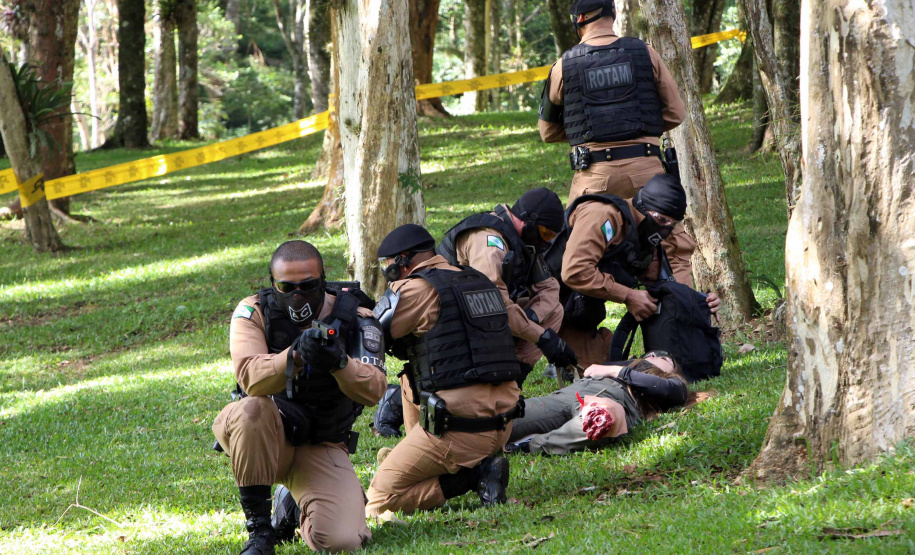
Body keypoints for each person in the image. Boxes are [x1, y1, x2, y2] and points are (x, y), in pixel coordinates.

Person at [212, 240, 387, 554]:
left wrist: (339, 364)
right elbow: (249, 376)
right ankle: (260, 534)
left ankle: (293, 505)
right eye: (286, 286)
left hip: (322, 443)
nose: (297, 294)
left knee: (342, 541)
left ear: (323, 281)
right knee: (251, 408)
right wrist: (293, 356)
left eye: (307, 285)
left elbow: (374, 390)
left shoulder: (357, 316)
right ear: (272, 283)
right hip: (266, 437)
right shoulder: (253, 311)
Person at [366, 224, 525, 519]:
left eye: (389, 266)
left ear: (404, 261)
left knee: (379, 500)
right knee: (408, 378)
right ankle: (447, 460)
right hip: (503, 423)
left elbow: (374, 333)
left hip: (460, 429)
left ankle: (472, 477)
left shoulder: (416, 288)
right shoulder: (478, 279)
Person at [558, 174, 720, 367]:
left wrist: (699, 303)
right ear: (642, 207)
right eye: (661, 219)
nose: (666, 229)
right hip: (538, 297)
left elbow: (664, 288)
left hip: (575, 307)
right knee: (518, 363)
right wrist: (629, 296)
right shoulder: (603, 215)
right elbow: (574, 271)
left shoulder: (646, 234)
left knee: (606, 373)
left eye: (673, 224)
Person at [538, 0, 686, 204]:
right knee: (665, 234)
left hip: (593, 177)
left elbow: (548, 132)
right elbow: (676, 113)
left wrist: (588, 133)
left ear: (580, 19)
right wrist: (639, 127)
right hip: (647, 175)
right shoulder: (646, 52)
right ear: (614, 12)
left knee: (580, 234)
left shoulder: (563, 66)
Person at [437, 188, 576, 382]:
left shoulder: (521, 240)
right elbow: (494, 306)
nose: (546, 242)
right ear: (528, 220)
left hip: (480, 315)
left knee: (555, 310)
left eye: (550, 237)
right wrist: (541, 336)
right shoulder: (489, 243)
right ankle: (498, 381)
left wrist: (530, 317)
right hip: (451, 322)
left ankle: (512, 379)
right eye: (544, 233)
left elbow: (550, 288)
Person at [504, 351, 688, 455]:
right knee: (504, 417)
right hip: (575, 393)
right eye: (650, 354)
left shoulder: (673, 384)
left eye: (663, 357)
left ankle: (532, 445)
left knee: (601, 420)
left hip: (613, 398)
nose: (653, 355)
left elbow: (672, 390)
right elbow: (619, 343)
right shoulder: (622, 363)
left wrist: (618, 372)